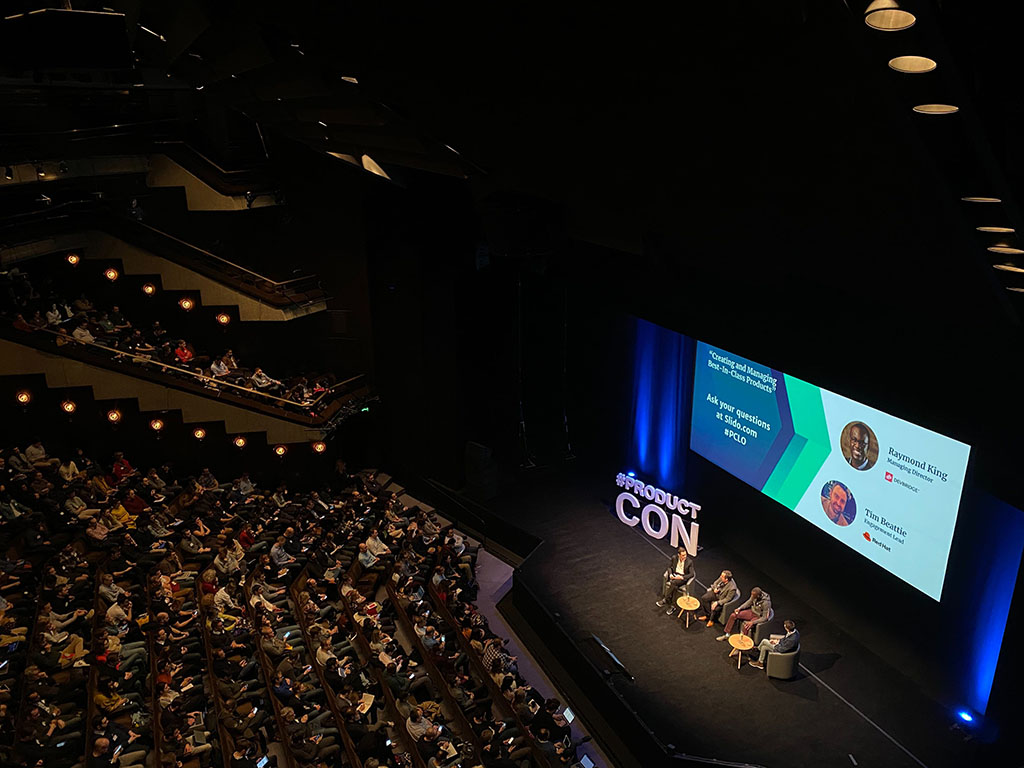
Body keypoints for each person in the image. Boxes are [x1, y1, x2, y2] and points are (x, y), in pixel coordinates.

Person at [656, 547, 696, 615]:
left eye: (685, 555)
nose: (684, 556)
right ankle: (673, 606)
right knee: (674, 586)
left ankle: (665, 599)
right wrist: (671, 574)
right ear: (679, 555)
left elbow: (692, 574)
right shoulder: (674, 558)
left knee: (673, 583)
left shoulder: (689, 562)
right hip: (675, 575)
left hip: (682, 578)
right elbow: (669, 567)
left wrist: (682, 577)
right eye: (683, 555)